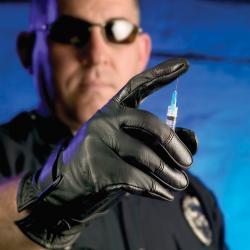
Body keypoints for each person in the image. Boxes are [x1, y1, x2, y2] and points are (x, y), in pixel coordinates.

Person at [0, 0, 227, 249]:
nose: (97, 54)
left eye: (119, 31)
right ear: (28, 50)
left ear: (142, 52)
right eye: (70, 31)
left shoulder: (194, 197)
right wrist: (45, 208)